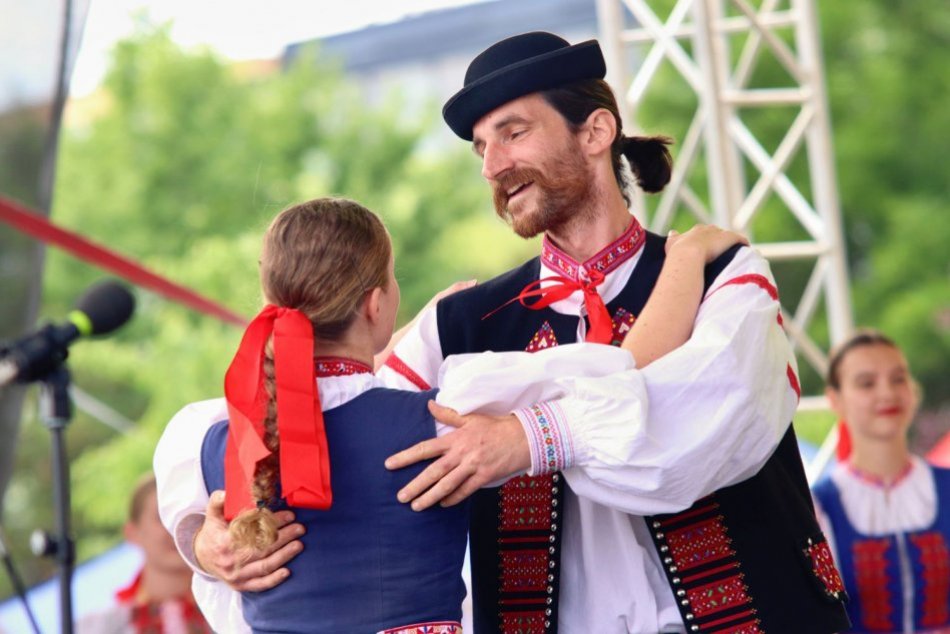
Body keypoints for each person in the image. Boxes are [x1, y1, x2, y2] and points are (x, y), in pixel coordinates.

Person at [163, 32, 850, 634]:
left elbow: (703, 416)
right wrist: (207, 537)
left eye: (513, 132)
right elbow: (302, 411)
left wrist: (530, 438)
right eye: (481, 148)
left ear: (595, 131)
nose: (492, 166)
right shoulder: (461, 324)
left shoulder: (725, 273)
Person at [155, 197, 746, 632]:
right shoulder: (445, 419)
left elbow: (327, 398)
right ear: (375, 303)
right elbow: (628, 374)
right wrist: (686, 256)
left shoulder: (218, 443)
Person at [813, 330, 950, 633]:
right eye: (866, 383)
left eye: (898, 379)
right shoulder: (819, 509)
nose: (887, 393)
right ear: (835, 399)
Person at [76, 474, 211, 634]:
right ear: (132, 533)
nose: (175, 528)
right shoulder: (99, 627)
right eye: (161, 517)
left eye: (184, 516)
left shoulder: (230, 602)